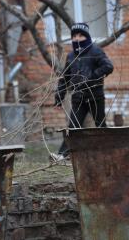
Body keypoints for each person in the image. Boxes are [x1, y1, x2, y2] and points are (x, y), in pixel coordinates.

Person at [50, 23, 114, 161]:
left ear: (86, 37)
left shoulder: (95, 51)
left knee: (100, 125)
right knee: (73, 127)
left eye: (80, 35)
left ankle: (110, 151)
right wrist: (59, 96)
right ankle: (62, 155)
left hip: (95, 96)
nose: (77, 39)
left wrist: (91, 77)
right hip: (78, 98)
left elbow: (108, 66)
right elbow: (65, 78)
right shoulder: (71, 56)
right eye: (74, 36)